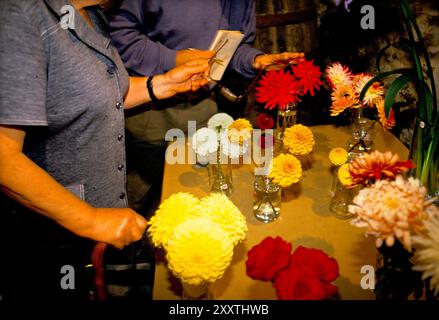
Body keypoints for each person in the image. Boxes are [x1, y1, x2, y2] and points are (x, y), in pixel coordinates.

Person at [0, 0, 210, 302]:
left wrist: (159, 85)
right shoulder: (20, 14)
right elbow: (4, 158)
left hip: (90, 239)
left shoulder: (91, 14)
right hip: (50, 240)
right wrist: (92, 219)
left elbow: (92, 95)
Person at [109, 0, 304, 211]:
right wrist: (175, 59)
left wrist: (254, 60)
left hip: (205, 109)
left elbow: (230, 49)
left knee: (201, 197)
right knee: (145, 206)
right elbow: (118, 35)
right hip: (151, 113)